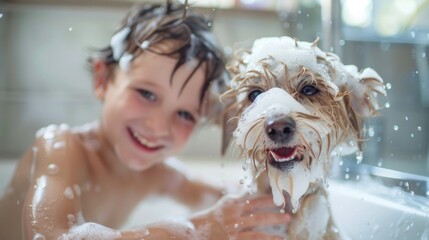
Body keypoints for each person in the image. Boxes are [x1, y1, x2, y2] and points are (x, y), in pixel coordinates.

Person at [0, 2, 289, 239]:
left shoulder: (157, 174)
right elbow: (50, 236)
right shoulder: (61, 148)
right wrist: (200, 229)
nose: (158, 127)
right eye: (146, 94)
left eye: (185, 114)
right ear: (102, 79)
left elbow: (228, 201)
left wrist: (282, 191)